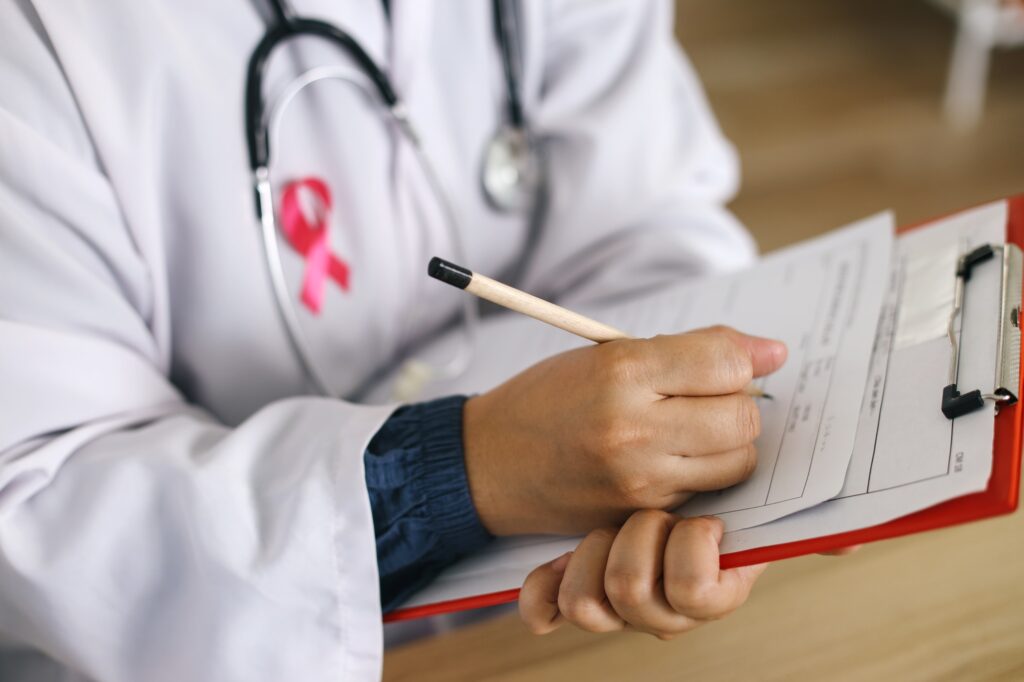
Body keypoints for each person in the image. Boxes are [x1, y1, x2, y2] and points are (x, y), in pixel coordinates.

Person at [0, 1, 789, 680]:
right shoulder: (35, 40)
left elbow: (647, 220)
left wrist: (661, 443)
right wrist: (460, 471)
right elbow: (37, 509)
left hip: (555, 629)